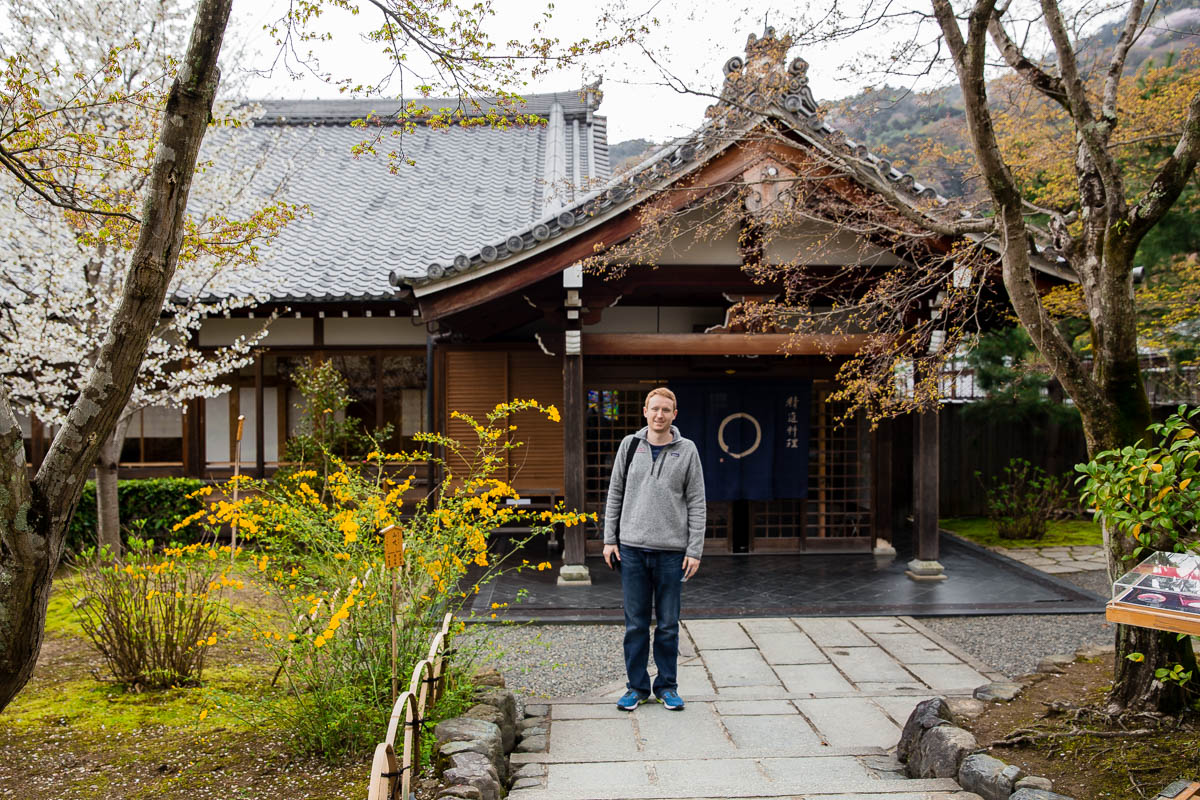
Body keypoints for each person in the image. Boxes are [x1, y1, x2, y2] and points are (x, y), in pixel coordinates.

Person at [603, 387, 705, 711]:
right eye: (654, 409)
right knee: (635, 624)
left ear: (675, 414)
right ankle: (636, 687)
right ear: (645, 411)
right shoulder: (629, 446)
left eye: (666, 410)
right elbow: (615, 493)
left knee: (668, 624)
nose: (659, 415)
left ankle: (667, 686)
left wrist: (695, 549)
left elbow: (697, 502)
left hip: (672, 553)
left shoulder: (687, 450)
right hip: (631, 549)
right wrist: (609, 540)